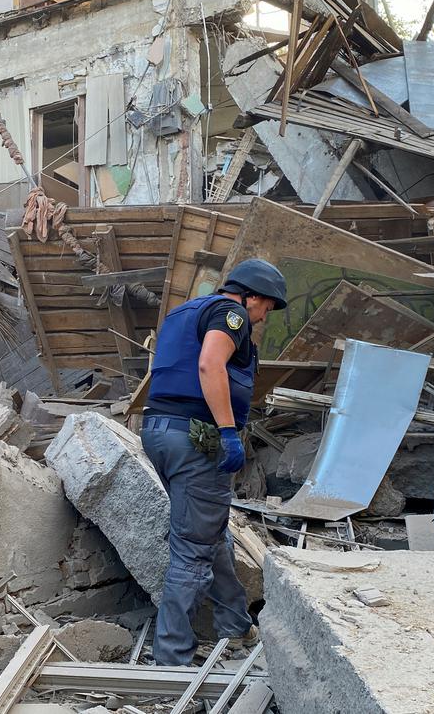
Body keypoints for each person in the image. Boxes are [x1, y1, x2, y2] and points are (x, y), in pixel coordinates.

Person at [141, 259, 288, 666]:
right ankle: (171, 661)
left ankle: (235, 623)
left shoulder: (184, 312)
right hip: (197, 438)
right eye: (266, 308)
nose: (262, 317)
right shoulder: (230, 313)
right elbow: (209, 364)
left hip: (159, 430)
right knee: (192, 550)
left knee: (209, 531)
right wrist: (226, 430)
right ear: (251, 295)